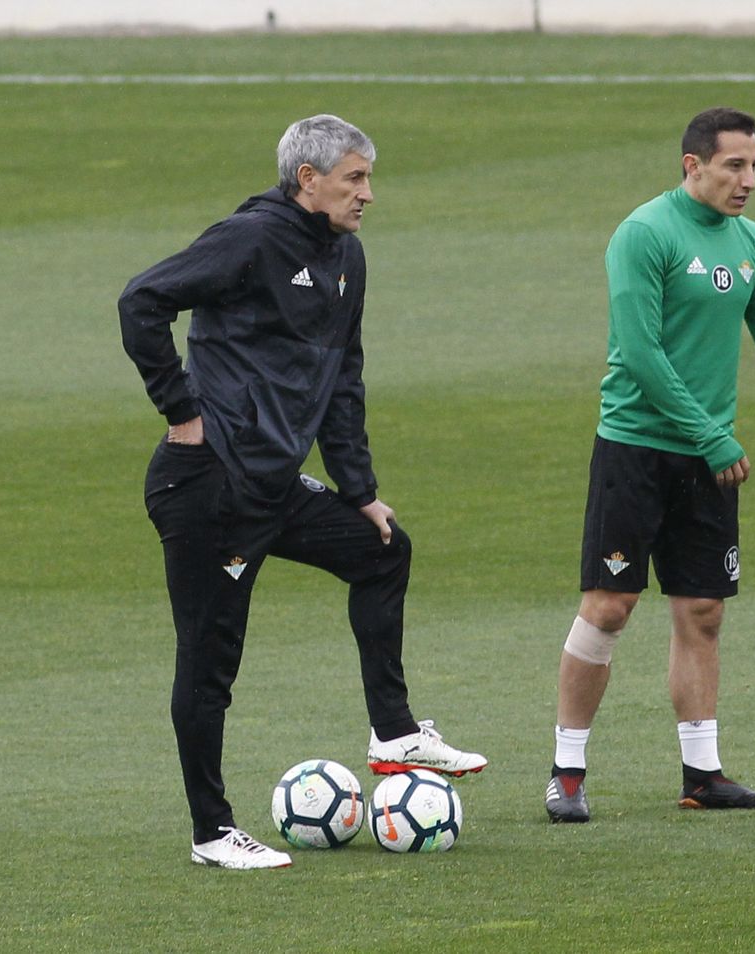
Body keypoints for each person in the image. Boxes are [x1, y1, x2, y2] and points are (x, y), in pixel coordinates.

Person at [118, 114, 486, 870]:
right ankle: (212, 833)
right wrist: (182, 413)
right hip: (209, 486)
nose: (369, 194)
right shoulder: (249, 240)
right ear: (307, 180)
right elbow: (142, 301)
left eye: (369, 178)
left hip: (273, 483)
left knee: (382, 548)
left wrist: (360, 490)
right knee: (211, 662)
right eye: (355, 178)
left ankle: (393, 733)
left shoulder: (347, 256)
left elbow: (342, 376)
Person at [544, 107, 755, 824]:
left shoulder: (752, 244)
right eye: (734, 166)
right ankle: (567, 770)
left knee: (703, 611)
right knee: (610, 606)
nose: (748, 181)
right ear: (693, 166)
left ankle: (703, 774)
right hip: (637, 450)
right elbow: (641, 354)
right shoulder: (644, 234)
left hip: (708, 458)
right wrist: (711, 435)